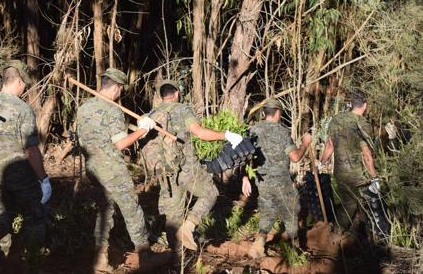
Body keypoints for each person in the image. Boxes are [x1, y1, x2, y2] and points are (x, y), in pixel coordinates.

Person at [76, 68, 167, 273]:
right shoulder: (113, 110)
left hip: (92, 167)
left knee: (104, 209)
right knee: (131, 208)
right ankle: (145, 255)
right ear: (117, 87)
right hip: (111, 167)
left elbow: (82, 140)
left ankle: (101, 258)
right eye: (121, 89)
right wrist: (143, 130)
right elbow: (120, 144)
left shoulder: (84, 108)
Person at [0, 60, 51, 268]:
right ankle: (32, 262)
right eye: (25, 85)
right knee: (36, 215)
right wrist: (43, 179)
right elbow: (31, 149)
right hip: (20, 174)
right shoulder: (23, 109)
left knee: (3, 213)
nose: (24, 89)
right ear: (20, 82)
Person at [145, 80, 243, 254]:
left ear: (162, 96)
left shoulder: (152, 114)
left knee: (173, 216)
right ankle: (189, 227)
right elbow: (199, 132)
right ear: (176, 93)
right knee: (210, 192)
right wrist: (226, 135)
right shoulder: (182, 109)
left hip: (166, 172)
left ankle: (176, 258)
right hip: (187, 168)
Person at [241, 98, 311, 259]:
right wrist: (305, 144)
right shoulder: (283, 132)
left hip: (262, 180)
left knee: (268, 209)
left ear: (265, 113)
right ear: (278, 112)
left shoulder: (252, 131)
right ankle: (295, 249)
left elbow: (244, 156)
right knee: (290, 211)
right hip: (281, 181)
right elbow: (294, 157)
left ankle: (258, 244)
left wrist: (245, 178)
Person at [319, 90, 380, 236]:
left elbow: (330, 144)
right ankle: (337, 233)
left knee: (354, 203)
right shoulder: (363, 124)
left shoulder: (337, 120)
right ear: (364, 105)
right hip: (357, 174)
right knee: (351, 204)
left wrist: (322, 162)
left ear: (351, 104)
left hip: (339, 172)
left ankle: (356, 237)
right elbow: (366, 154)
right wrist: (374, 177)